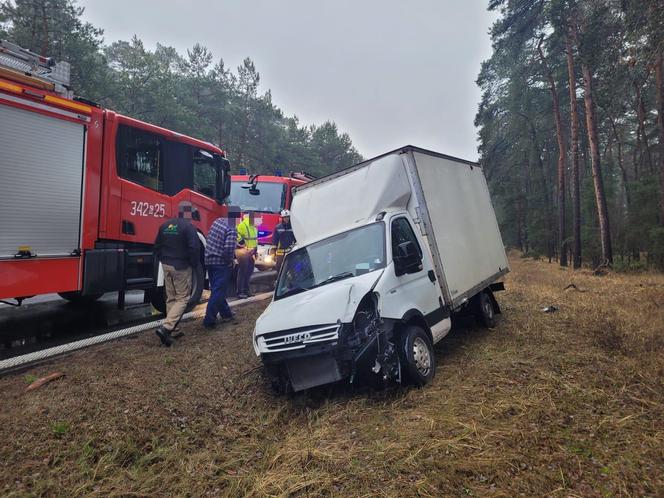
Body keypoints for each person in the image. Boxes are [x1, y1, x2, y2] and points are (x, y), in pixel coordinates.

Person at [153, 201, 200, 347]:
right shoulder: (189, 227)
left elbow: (157, 246)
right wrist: (193, 263)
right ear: (187, 213)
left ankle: (174, 329)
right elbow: (194, 248)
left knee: (171, 297)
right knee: (182, 298)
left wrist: (163, 259)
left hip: (166, 265)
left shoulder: (166, 225)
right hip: (181, 267)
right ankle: (166, 328)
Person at [203, 207, 241, 329]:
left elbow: (214, 239)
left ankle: (226, 314)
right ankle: (209, 321)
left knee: (217, 289)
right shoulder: (232, 228)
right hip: (221, 263)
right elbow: (228, 250)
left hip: (209, 260)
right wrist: (230, 261)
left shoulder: (217, 221)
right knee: (218, 292)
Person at [236, 212, 258, 298]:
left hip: (251, 253)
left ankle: (246, 290)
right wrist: (242, 243)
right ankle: (240, 292)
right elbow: (236, 234)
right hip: (244, 253)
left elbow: (255, 240)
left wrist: (255, 251)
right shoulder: (242, 225)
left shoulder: (254, 228)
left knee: (249, 272)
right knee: (243, 272)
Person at [273, 209, 296, 275]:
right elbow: (275, 241)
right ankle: (279, 282)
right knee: (279, 268)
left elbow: (295, 239)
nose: (286, 219)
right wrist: (273, 253)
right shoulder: (278, 227)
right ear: (282, 218)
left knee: (292, 269)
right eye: (285, 217)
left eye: (288, 217)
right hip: (280, 253)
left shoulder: (293, 227)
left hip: (290, 252)